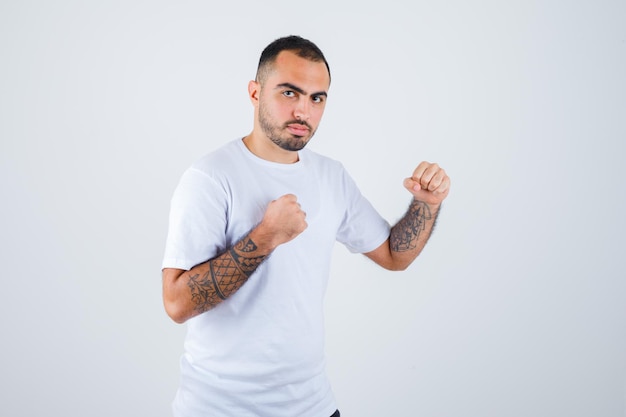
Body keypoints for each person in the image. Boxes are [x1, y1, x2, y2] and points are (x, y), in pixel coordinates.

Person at [161, 35, 450, 417]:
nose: (304, 111)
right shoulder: (211, 177)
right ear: (255, 92)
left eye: (317, 98)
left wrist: (426, 205)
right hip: (219, 408)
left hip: (312, 406)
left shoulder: (331, 176)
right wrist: (265, 238)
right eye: (289, 93)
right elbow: (177, 303)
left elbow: (395, 256)